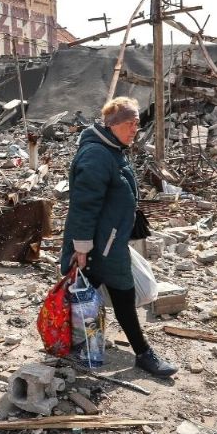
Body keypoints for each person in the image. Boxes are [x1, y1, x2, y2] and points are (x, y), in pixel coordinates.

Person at [59, 97, 178, 377]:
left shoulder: (113, 150)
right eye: (131, 123)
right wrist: (82, 247)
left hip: (109, 240)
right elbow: (84, 205)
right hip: (99, 244)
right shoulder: (97, 155)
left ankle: (83, 346)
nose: (135, 128)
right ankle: (142, 353)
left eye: (137, 122)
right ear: (113, 124)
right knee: (119, 292)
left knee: (86, 294)